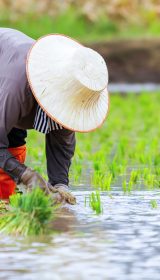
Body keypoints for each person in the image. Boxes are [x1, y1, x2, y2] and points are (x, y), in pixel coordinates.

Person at [0, 28, 109, 204]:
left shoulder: (71, 93)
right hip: (8, 75)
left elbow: (62, 143)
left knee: (14, 143)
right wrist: (26, 176)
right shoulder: (16, 89)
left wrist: (60, 186)